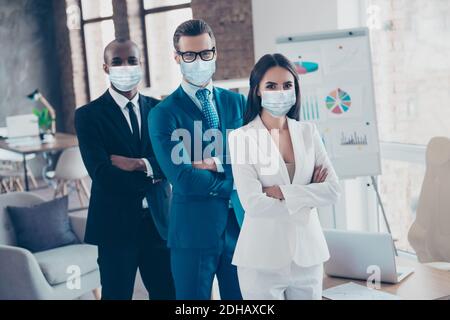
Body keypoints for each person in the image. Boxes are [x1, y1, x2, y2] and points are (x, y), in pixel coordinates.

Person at [228, 53, 341, 300]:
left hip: (308, 257)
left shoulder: (308, 132)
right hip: (261, 259)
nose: (280, 92)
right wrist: (309, 196)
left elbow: (333, 190)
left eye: (287, 85)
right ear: (257, 89)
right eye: (271, 86)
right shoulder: (241, 138)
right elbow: (253, 204)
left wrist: (281, 192)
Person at [149, 19, 245, 300]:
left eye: (205, 53)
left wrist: (217, 164)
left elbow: (253, 162)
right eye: (189, 55)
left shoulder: (236, 103)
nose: (199, 61)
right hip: (192, 232)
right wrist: (236, 179)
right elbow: (183, 178)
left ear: (215, 52)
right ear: (177, 57)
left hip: (238, 229)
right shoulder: (163, 114)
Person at [75, 39, 175, 300]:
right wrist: (154, 171)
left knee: (168, 294)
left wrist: (137, 164)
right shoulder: (88, 115)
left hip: (159, 223)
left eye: (132, 60)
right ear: (106, 67)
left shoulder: (161, 110)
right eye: (117, 61)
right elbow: (102, 174)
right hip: (114, 226)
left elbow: (175, 163)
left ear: (141, 64)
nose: (125, 66)